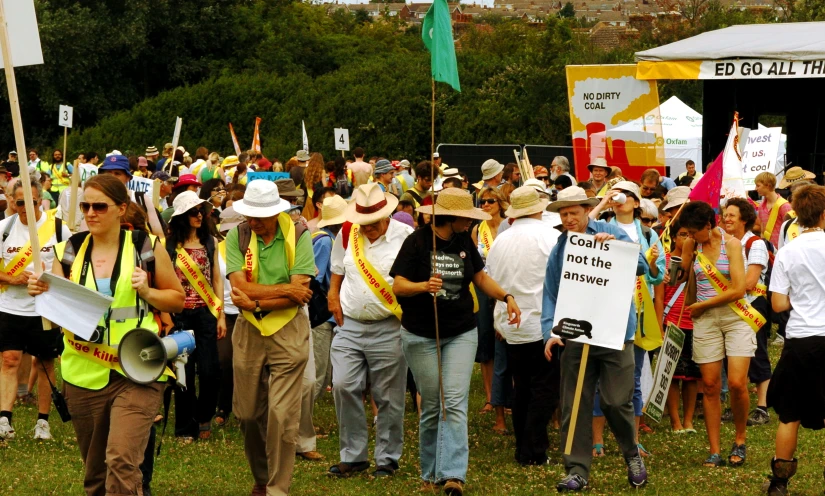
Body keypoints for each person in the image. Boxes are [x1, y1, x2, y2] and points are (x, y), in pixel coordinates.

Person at [28, 174, 184, 495]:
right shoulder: (66, 252)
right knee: (96, 475)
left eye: (99, 206)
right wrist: (42, 293)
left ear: (121, 209)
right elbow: (55, 316)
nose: (90, 213)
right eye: (85, 206)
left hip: (137, 369)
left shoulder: (147, 247)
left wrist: (149, 292)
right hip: (82, 372)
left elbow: (177, 299)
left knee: (122, 460)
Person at [392, 187, 520, 496]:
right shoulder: (417, 242)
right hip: (420, 334)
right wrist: (423, 286)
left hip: (462, 331)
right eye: (465, 217)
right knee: (433, 403)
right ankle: (430, 471)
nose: (469, 222)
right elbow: (398, 285)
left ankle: (453, 476)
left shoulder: (464, 241)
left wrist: (506, 296)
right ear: (451, 218)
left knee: (455, 400)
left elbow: (479, 277)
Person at [542, 186, 650, 492]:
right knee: (574, 404)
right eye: (563, 214)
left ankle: (631, 454)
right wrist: (550, 332)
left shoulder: (611, 230)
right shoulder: (561, 246)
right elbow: (551, 292)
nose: (568, 219)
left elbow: (642, 267)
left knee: (617, 402)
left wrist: (616, 247)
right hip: (576, 337)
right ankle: (576, 470)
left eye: (573, 213)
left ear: (586, 210)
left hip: (616, 333)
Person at [225, 179, 315, 495]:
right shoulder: (237, 234)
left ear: (276, 213)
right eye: (249, 215)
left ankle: (277, 488)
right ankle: (261, 478)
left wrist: (260, 301)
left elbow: (301, 294)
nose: (253, 222)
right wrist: (284, 289)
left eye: (259, 217)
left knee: (281, 414)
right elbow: (240, 288)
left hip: (288, 329)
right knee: (247, 413)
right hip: (249, 328)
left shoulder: (299, 234)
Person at [326, 184, 412, 477]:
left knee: (388, 395)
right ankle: (354, 455)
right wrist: (332, 295)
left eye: (373, 223)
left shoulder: (405, 237)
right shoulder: (348, 233)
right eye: (364, 223)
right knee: (343, 384)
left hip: (389, 326)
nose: (368, 228)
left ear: (386, 216)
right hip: (349, 324)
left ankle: (387, 459)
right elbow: (338, 268)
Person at [588, 181, 664, 458]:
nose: (620, 199)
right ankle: (598, 440)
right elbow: (579, 230)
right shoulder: (601, 225)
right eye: (616, 194)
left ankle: (632, 439)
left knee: (632, 377)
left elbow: (656, 276)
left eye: (627, 195)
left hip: (637, 312)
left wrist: (652, 262)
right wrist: (601, 205)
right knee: (598, 378)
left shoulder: (648, 234)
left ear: (637, 202)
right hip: (604, 309)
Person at [486, 186, 560, 466]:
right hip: (543, 323)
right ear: (539, 208)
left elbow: (491, 278)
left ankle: (524, 448)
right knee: (545, 388)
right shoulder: (551, 237)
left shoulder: (500, 240)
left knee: (522, 387)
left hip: (511, 322)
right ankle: (534, 448)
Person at [679, 201, 753, 468]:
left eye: (693, 232)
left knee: (736, 383)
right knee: (709, 386)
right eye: (686, 232)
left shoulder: (731, 245)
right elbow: (682, 276)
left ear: (708, 226)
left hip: (735, 316)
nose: (689, 237)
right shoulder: (691, 245)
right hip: (706, 322)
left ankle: (741, 439)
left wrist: (701, 305)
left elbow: (738, 290)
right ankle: (714, 449)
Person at [764, 184, 825, 495]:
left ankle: (780, 483)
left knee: (790, 415)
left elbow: (777, 304)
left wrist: (801, 298)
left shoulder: (788, 250)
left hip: (801, 338)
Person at [0, 177, 71, 441]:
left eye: (31, 201)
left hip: (45, 308)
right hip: (10, 306)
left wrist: (53, 283)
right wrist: (12, 278)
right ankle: (4, 418)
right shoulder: (3, 229)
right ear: (11, 201)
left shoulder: (59, 229)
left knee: (44, 363)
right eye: (19, 202)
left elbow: (72, 269)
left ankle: (43, 422)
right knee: (9, 359)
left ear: (41, 199)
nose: (25, 207)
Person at [165, 191, 226, 441]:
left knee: (210, 370)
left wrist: (220, 315)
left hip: (206, 314)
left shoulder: (210, 242)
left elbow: (217, 279)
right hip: (180, 316)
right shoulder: (169, 246)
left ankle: (204, 417)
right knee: (184, 373)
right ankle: (184, 427)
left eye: (202, 210)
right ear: (182, 217)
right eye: (193, 212)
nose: (199, 215)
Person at [722, 198, 773, 427]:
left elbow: (751, 282)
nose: (726, 218)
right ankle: (737, 405)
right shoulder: (723, 242)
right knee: (732, 356)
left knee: (758, 354)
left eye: (732, 215)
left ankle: (762, 407)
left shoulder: (756, 243)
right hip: (729, 304)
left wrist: (726, 286)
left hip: (752, 304)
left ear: (744, 218)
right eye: (725, 214)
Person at [470, 186, 511, 432]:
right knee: (486, 343)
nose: (485, 205)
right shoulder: (477, 230)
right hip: (484, 290)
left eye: (490, 201)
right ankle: (489, 397)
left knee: (508, 340)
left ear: (500, 203)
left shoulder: (509, 226)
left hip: (506, 288)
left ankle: (509, 397)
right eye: (482, 202)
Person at [654, 218, 701, 433]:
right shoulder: (665, 260)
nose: (687, 238)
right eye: (682, 234)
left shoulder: (700, 262)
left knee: (692, 376)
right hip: (672, 321)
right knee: (671, 374)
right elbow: (659, 298)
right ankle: (675, 421)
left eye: (691, 234)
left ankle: (689, 420)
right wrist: (660, 327)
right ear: (673, 237)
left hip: (695, 324)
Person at [312, 195, 347, 402]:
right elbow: (315, 277)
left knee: (325, 373)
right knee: (318, 372)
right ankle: (299, 421)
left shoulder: (334, 239)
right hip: (323, 313)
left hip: (330, 314)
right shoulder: (325, 241)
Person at [756, 171, 795, 248]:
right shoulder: (761, 206)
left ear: (768, 185)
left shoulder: (784, 206)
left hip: (783, 249)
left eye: (758, 186)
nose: (756, 188)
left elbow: (792, 230)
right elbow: (762, 230)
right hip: (768, 250)